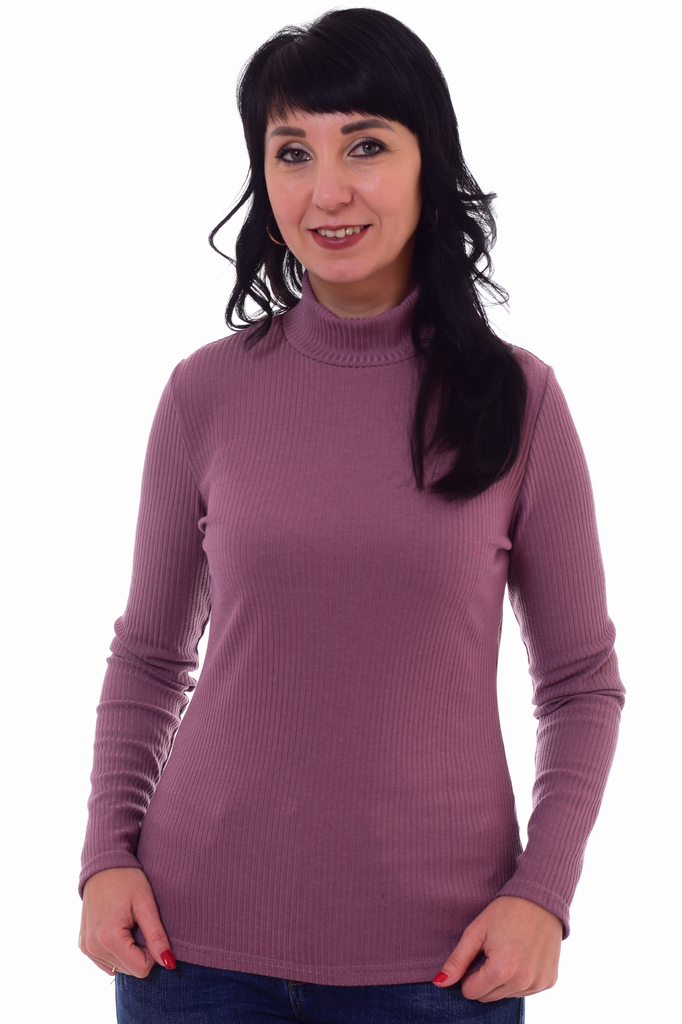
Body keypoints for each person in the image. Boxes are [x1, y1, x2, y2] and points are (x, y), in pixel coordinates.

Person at [77, 8, 626, 1023]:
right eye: (293, 152)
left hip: (442, 964)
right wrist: (105, 854)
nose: (326, 191)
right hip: (191, 952)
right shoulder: (205, 392)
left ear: (429, 163)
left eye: (365, 146)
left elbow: (581, 683)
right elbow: (151, 657)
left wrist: (542, 893)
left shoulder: (521, 400)